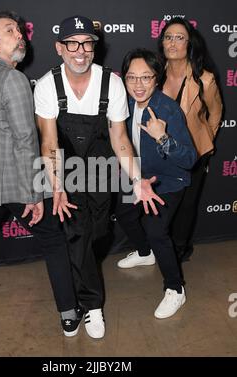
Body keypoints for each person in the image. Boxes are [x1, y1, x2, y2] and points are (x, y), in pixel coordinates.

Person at [34, 16, 164, 338]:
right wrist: (56, 187)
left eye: (87, 43)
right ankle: (92, 306)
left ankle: (82, 279)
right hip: (65, 171)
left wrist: (136, 179)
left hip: (102, 169)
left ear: (95, 46)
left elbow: (120, 138)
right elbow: (48, 141)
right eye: (72, 43)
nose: (81, 51)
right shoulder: (47, 84)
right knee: (76, 236)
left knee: (97, 234)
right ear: (59, 48)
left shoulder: (113, 83)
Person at [0, 10, 82, 338]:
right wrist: (33, 195)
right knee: (53, 240)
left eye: (19, 29)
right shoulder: (14, 79)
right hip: (15, 184)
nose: (19, 34)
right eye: (10, 31)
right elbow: (26, 141)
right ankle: (69, 314)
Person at [116, 48, 197, 318]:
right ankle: (145, 253)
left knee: (155, 228)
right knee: (125, 213)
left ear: (157, 79)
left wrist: (162, 137)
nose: (138, 85)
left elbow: (188, 159)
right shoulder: (123, 105)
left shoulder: (168, 110)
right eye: (131, 77)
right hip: (140, 178)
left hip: (168, 181)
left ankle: (176, 289)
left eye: (146, 77)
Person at [157, 18, 223, 261]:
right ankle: (159, 245)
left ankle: (179, 250)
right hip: (162, 150)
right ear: (162, 42)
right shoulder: (154, 74)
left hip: (193, 151)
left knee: (186, 205)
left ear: (189, 43)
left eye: (179, 37)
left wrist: (205, 143)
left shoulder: (204, 79)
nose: (173, 43)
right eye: (168, 37)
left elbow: (215, 112)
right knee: (164, 203)